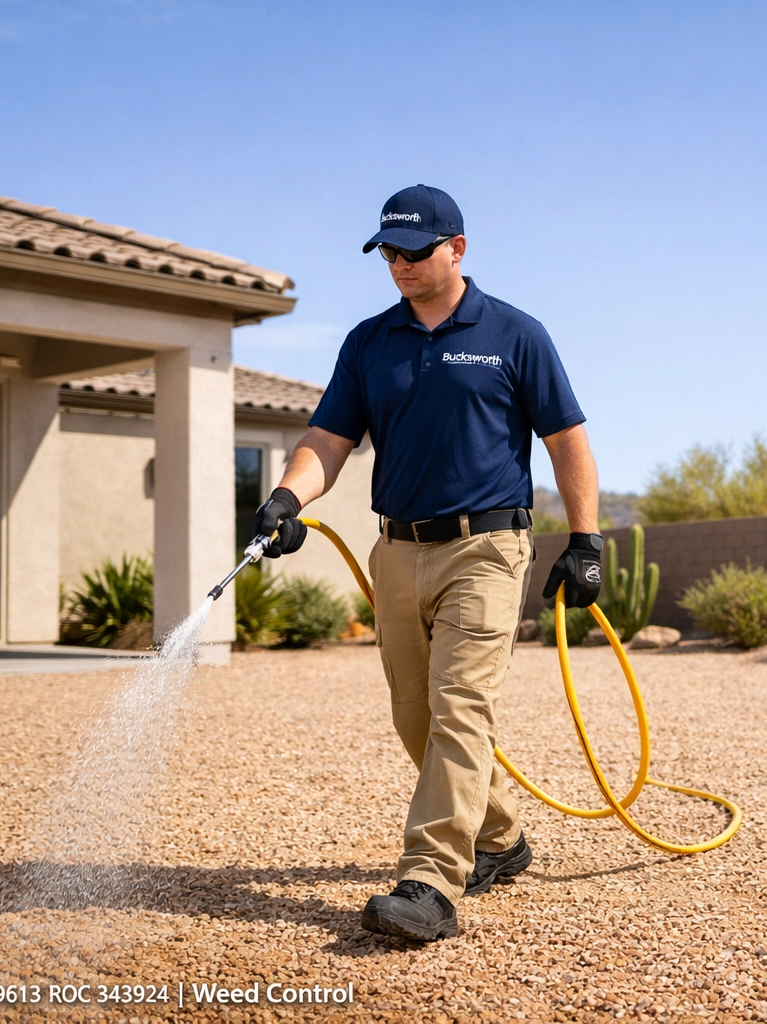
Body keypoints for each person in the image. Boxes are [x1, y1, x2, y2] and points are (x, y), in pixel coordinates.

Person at [249, 184, 605, 942]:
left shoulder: (515, 334)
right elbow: (329, 441)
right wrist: (287, 496)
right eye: (389, 253)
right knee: (416, 715)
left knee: (460, 709)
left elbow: (567, 439)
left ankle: (431, 882)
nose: (401, 265)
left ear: (458, 249)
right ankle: (501, 838)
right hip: (398, 549)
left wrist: (586, 541)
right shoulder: (370, 342)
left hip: (487, 546)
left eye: (415, 251)